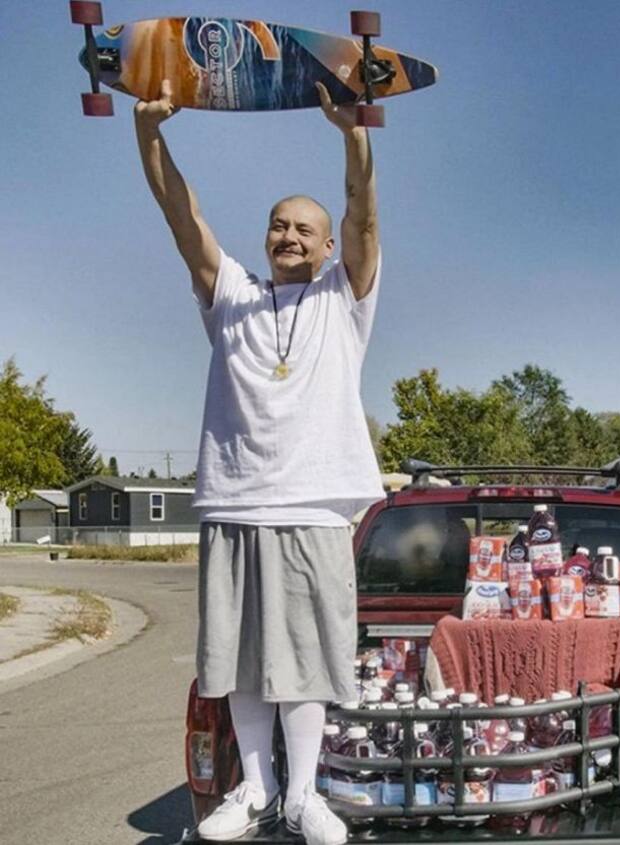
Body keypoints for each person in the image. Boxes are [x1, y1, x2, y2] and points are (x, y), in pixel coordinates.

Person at [134, 79, 385, 845]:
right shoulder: (232, 294)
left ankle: (305, 793)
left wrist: (353, 136)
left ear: (327, 246)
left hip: (314, 505)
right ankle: (257, 786)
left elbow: (363, 215)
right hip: (236, 501)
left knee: (304, 660)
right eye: (279, 225)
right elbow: (182, 218)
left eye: (305, 228)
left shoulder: (345, 297)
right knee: (242, 659)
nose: (290, 236)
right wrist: (148, 134)